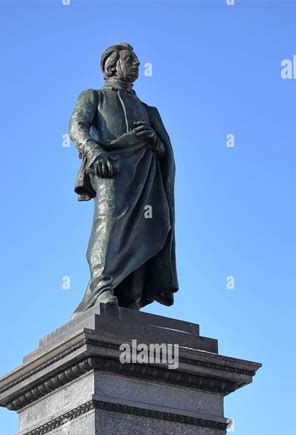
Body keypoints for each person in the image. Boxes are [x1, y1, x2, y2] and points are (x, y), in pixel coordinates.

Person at [69, 42, 178, 316]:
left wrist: (155, 142)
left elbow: (165, 151)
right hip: (111, 167)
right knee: (110, 222)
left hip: (146, 172)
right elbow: (76, 126)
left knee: (147, 227)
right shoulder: (93, 96)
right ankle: (102, 286)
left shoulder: (149, 110)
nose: (138, 63)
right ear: (112, 66)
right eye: (131, 59)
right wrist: (93, 151)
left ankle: (131, 296)